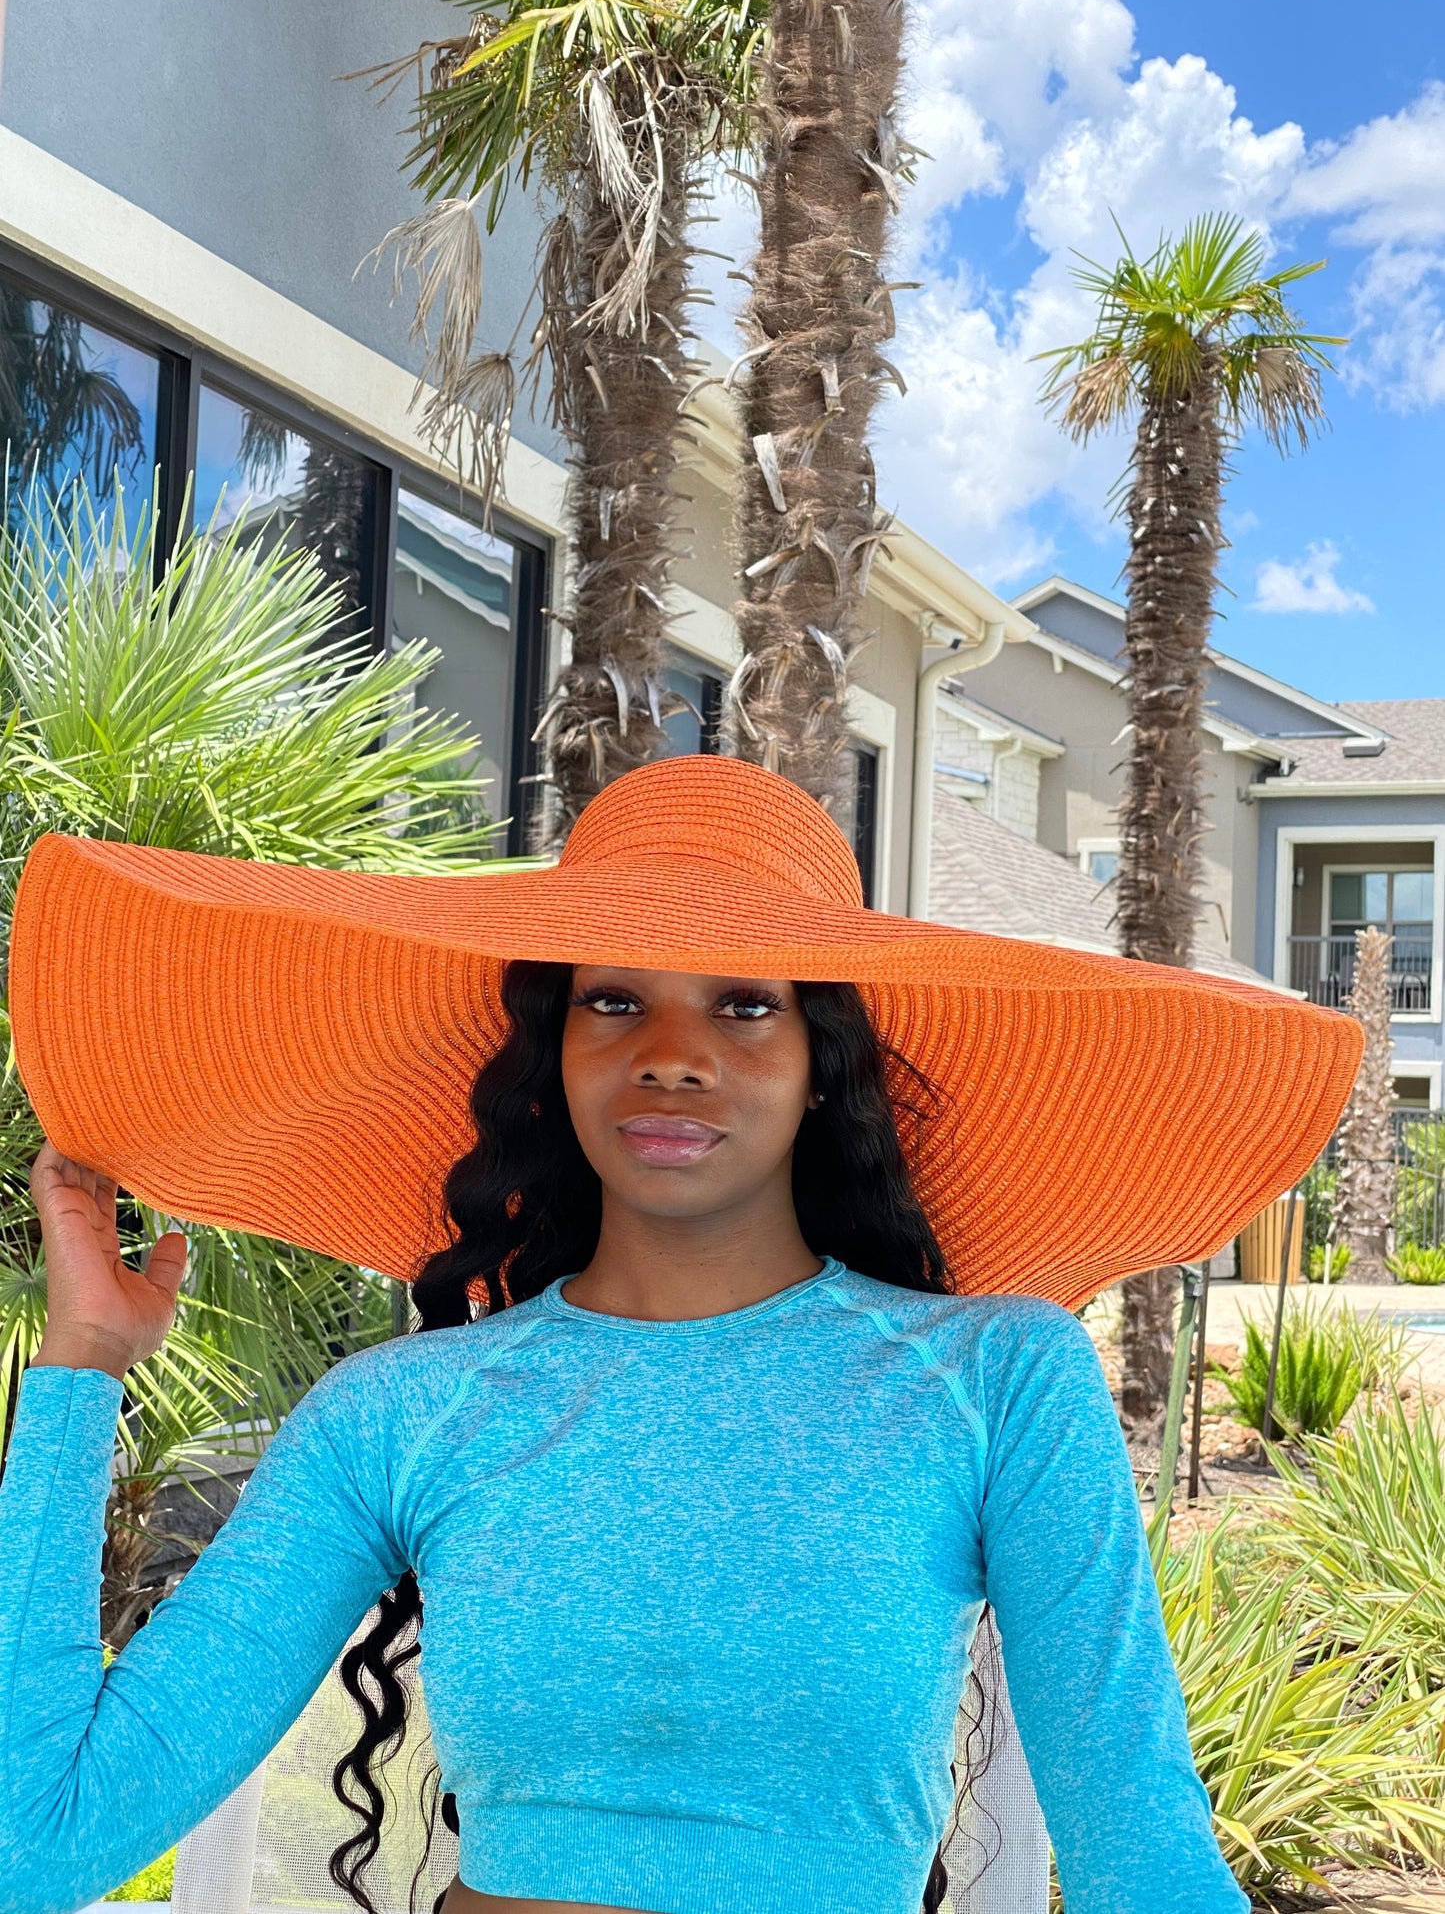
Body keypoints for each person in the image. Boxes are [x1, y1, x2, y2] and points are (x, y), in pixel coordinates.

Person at [0, 755, 1360, 1914]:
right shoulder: (395, 1412)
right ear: (555, 1049)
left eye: (743, 1003)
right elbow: (37, 1840)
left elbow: (1139, 1853)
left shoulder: (996, 1381)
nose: (671, 1052)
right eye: (613, 1000)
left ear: (821, 1058)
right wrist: (79, 1374)